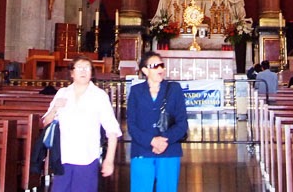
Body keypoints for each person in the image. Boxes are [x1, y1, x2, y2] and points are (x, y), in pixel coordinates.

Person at [40, 56, 122, 190]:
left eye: (87, 68)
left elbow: (112, 130)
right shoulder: (63, 93)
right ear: (72, 73)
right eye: (79, 68)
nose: (83, 71)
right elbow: (46, 123)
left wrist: (109, 160)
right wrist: (55, 109)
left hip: (87, 158)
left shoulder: (99, 96)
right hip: (63, 157)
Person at [127, 51, 188, 192]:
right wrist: (151, 141)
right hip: (142, 149)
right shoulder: (136, 91)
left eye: (162, 65)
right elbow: (132, 124)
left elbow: (182, 122)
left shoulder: (174, 89)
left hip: (169, 149)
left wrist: (163, 140)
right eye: (155, 66)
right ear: (145, 70)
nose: (160, 69)